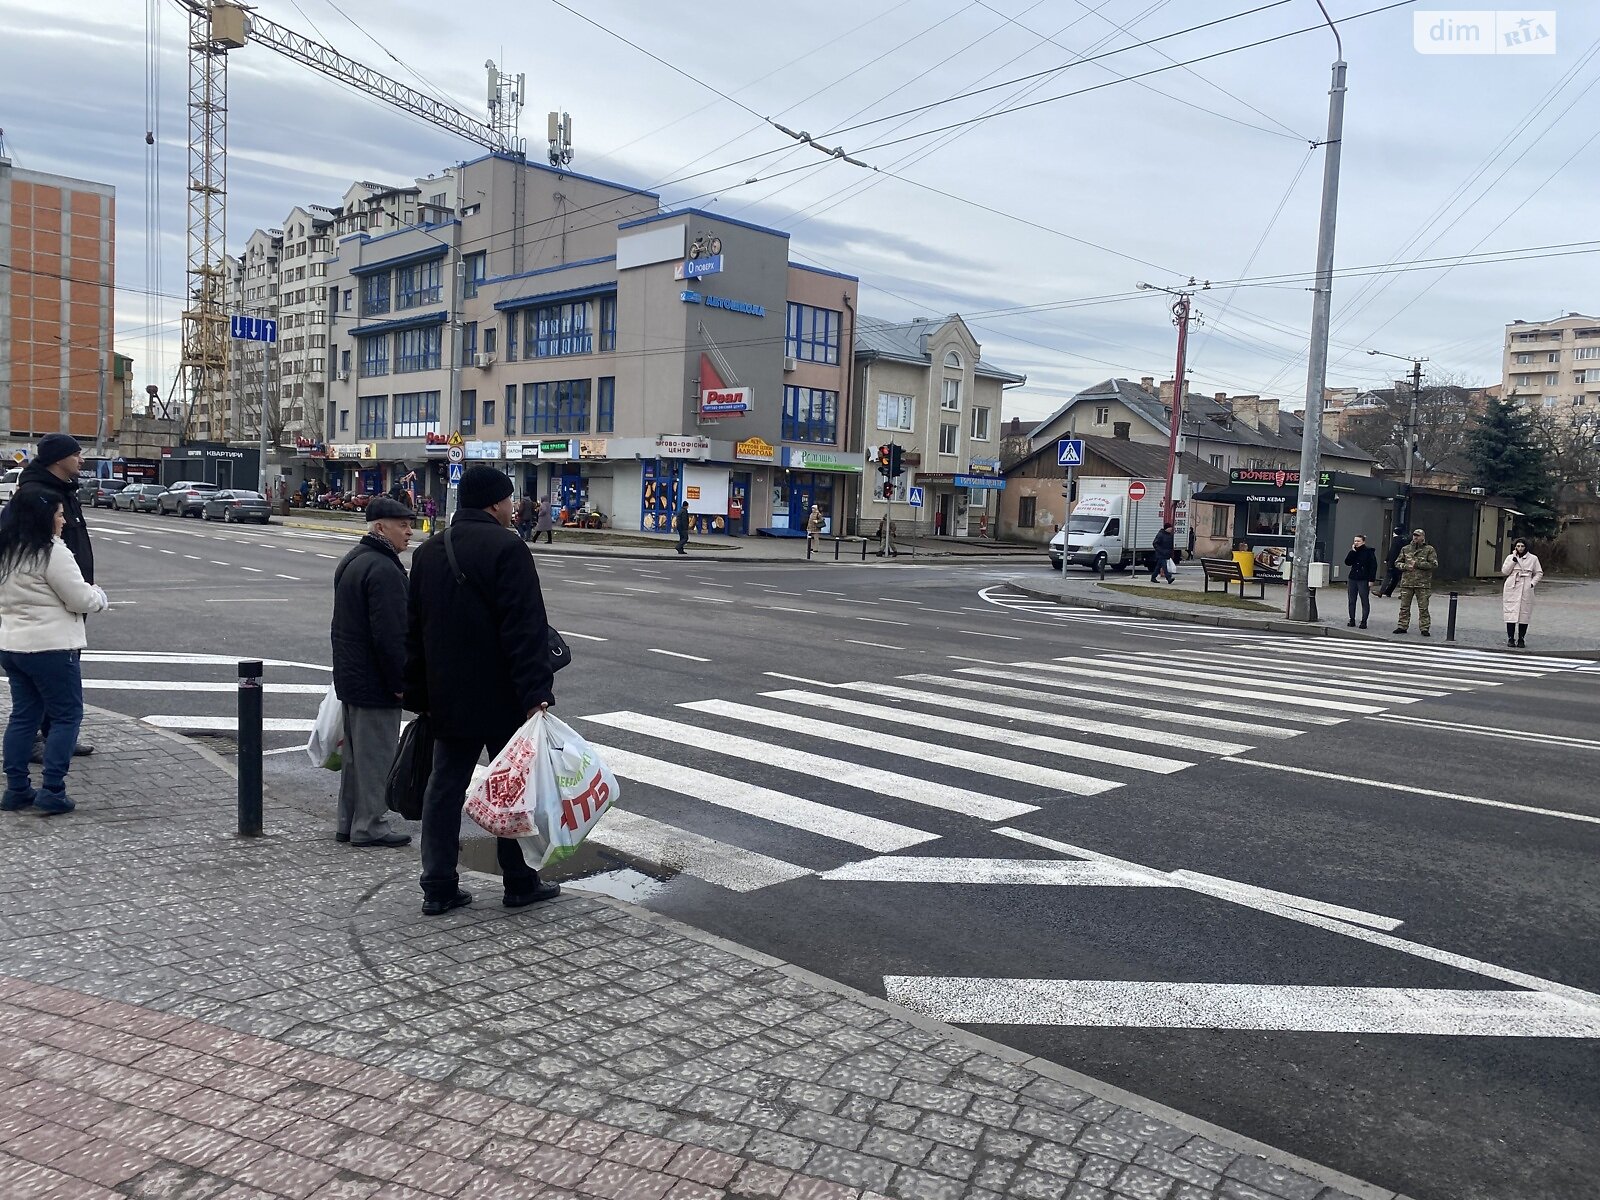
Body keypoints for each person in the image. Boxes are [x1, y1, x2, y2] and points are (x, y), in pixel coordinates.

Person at [404, 464, 558, 916]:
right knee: (512, 789)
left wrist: (417, 697)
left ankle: (437, 884)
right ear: (494, 503)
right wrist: (536, 695)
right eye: (509, 500)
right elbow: (524, 630)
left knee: (444, 788)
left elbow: (413, 633)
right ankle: (518, 882)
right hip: (503, 696)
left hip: (447, 697)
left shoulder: (429, 552)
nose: (513, 507)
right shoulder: (508, 549)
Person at [0, 492, 109, 815]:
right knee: (66, 716)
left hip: (12, 646)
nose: (63, 521)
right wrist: (99, 596)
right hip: (52, 647)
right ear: (44, 518)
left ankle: (16, 788)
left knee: (23, 717)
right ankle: (52, 790)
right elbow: (79, 599)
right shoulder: (51, 552)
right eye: (60, 515)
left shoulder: (6, 551)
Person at [2, 434, 96, 761]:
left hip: (62, 602)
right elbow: (15, 549)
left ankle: (54, 738)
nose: (82, 459)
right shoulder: (36, 495)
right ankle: (49, 760)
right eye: (77, 454)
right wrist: (87, 594)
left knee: (49, 693)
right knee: (44, 694)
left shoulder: (63, 492)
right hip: (44, 612)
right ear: (59, 458)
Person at [330, 496, 415, 849]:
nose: (410, 532)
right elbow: (391, 635)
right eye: (403, 525)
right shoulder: (382, 569)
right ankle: (371, 825)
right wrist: (400, 684)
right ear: (381, 527)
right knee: (377, 756)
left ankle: (348, 822)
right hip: (375, 680)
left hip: (352, 677)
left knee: (355, 758)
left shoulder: (353, 560)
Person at [1392, 528, 1438, 637]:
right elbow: (1397, 562)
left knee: (1423, 608)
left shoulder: (1429, 549)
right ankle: (1402, 626)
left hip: (1422, 583)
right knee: (1404, 606)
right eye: (1414, 535)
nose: (1415, 537)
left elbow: (1434, 564)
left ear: (1423, 537)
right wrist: (1405, 566)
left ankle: (1424, 628)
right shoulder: (1406, 549)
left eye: (1418, 536)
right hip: (1407, 582)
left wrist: (1417, 564)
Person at [1501, 538, 1543, 647]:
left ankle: (1521, 638)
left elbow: (1539, 573)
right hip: (1512, 586)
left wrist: (1532, 584)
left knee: (1524, 614)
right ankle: (1510, 638)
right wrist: (1513, 561)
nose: (1520, 548)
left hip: (1526, 586)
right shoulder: (1510, 557)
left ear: (1526, 547)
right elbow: (1505, 571)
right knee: (1510, 613)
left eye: (1522, 546)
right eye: (1518, 546)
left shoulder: (1533, 558)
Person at [1344, 533, 1378, 629]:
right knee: (1351, 600)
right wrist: (1352, 552)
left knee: (1364, 600)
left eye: (1358, 541)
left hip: (1363, 578)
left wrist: (1371, 579)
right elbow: (1347, 562)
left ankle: (1364, 621)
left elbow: (1373, 566)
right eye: (1355, 541)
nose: (1356, 543)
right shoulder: (1354, 551)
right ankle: (1352, 619)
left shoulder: (1368, 552)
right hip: (1353, 578)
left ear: (1363, 542)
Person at [1378, 530, 1406, 597]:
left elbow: (1392, 552)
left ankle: (1381, 592)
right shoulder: (1404, 540)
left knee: (1388, 576)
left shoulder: (1396, 541)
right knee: (1396, 578)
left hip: (1393, 562)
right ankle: (1390, 592)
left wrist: (1388, 560)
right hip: (1401, 561)